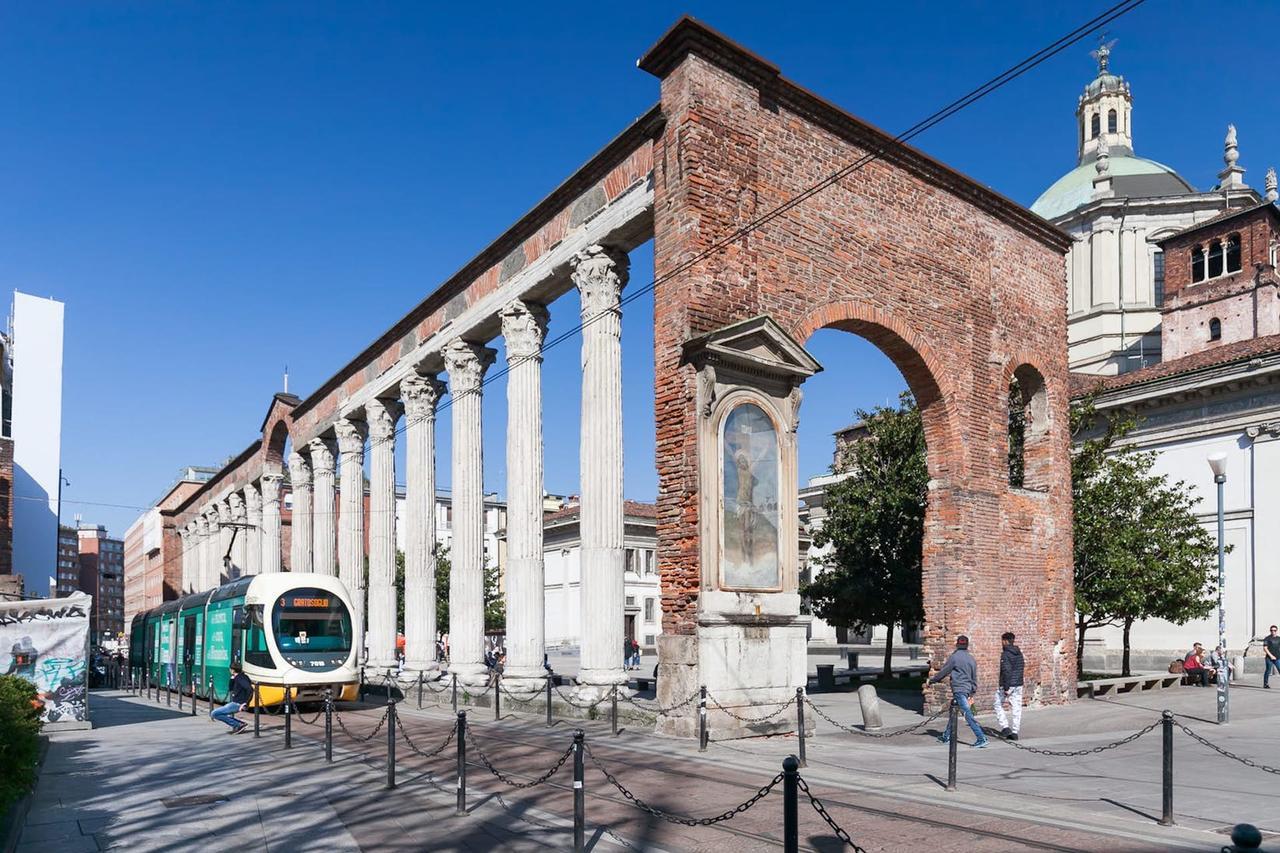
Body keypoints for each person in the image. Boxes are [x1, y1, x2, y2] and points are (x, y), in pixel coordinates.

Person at [929, 635, 988, 748]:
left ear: (957, 644)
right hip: (967, 689)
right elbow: (974, 677)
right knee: (953, 712)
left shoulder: (954, 657)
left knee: (967, 714)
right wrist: (972, 691)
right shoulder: (971, 659)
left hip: (959, 689)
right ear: (967, 645)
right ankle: (946, 736)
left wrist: (933, 680)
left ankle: (981, 738)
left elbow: (944, 671)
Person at [994, 631, 1023, 741]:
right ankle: (1015, 731)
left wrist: (1006, 688)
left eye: (1002, 641)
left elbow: (1006, 671)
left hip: (1008, 684)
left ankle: (1005, 727)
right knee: (1017, 707)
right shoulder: (1019, 653)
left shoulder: (1005, 654)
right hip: (1018, 684)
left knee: (997, 703)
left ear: (1005, 641)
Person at [210, 663, 252, 734]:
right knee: (217, 713)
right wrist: (232, 678)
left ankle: (238, 724)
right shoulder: (240, 677)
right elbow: (230, 688)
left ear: (232, 670)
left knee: (214, 713)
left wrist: (245, 703)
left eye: (230, 669)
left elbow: (249, 689)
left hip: (238, 703)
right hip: (236, 702)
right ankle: (239, 724)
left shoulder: (240, 678)